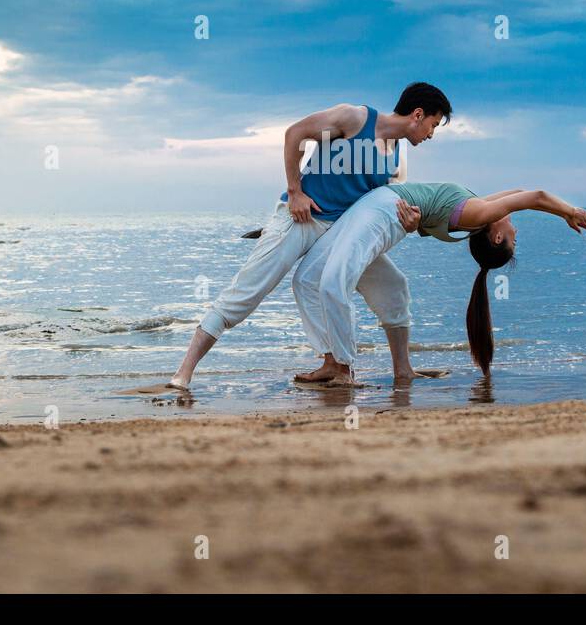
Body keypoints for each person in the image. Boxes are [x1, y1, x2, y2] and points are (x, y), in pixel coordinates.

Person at [121, 83, 453, 394]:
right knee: (246, 294)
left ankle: (373, 368)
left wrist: (410, 223)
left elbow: (379, 206)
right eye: (433, 126)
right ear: (418, 114)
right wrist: (295, 192)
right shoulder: (355, 119)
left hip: (341, 233)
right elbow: (295, 134)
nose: (431, 135)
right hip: (301, 218)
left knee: (393, 286)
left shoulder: (397, 157)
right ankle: (184, 373)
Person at [291, 182, 586, 386]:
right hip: (381, 206)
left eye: (514, 239)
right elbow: (522, 193)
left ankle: (354, 368)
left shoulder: (480, 213)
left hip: (383, 208)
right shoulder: (476, 212)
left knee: (365, 285)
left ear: (498, 237)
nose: (515, 229)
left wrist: (570, 212)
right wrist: (560, 212)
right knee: (318, 279)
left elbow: (536, 196)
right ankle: (360, 365)